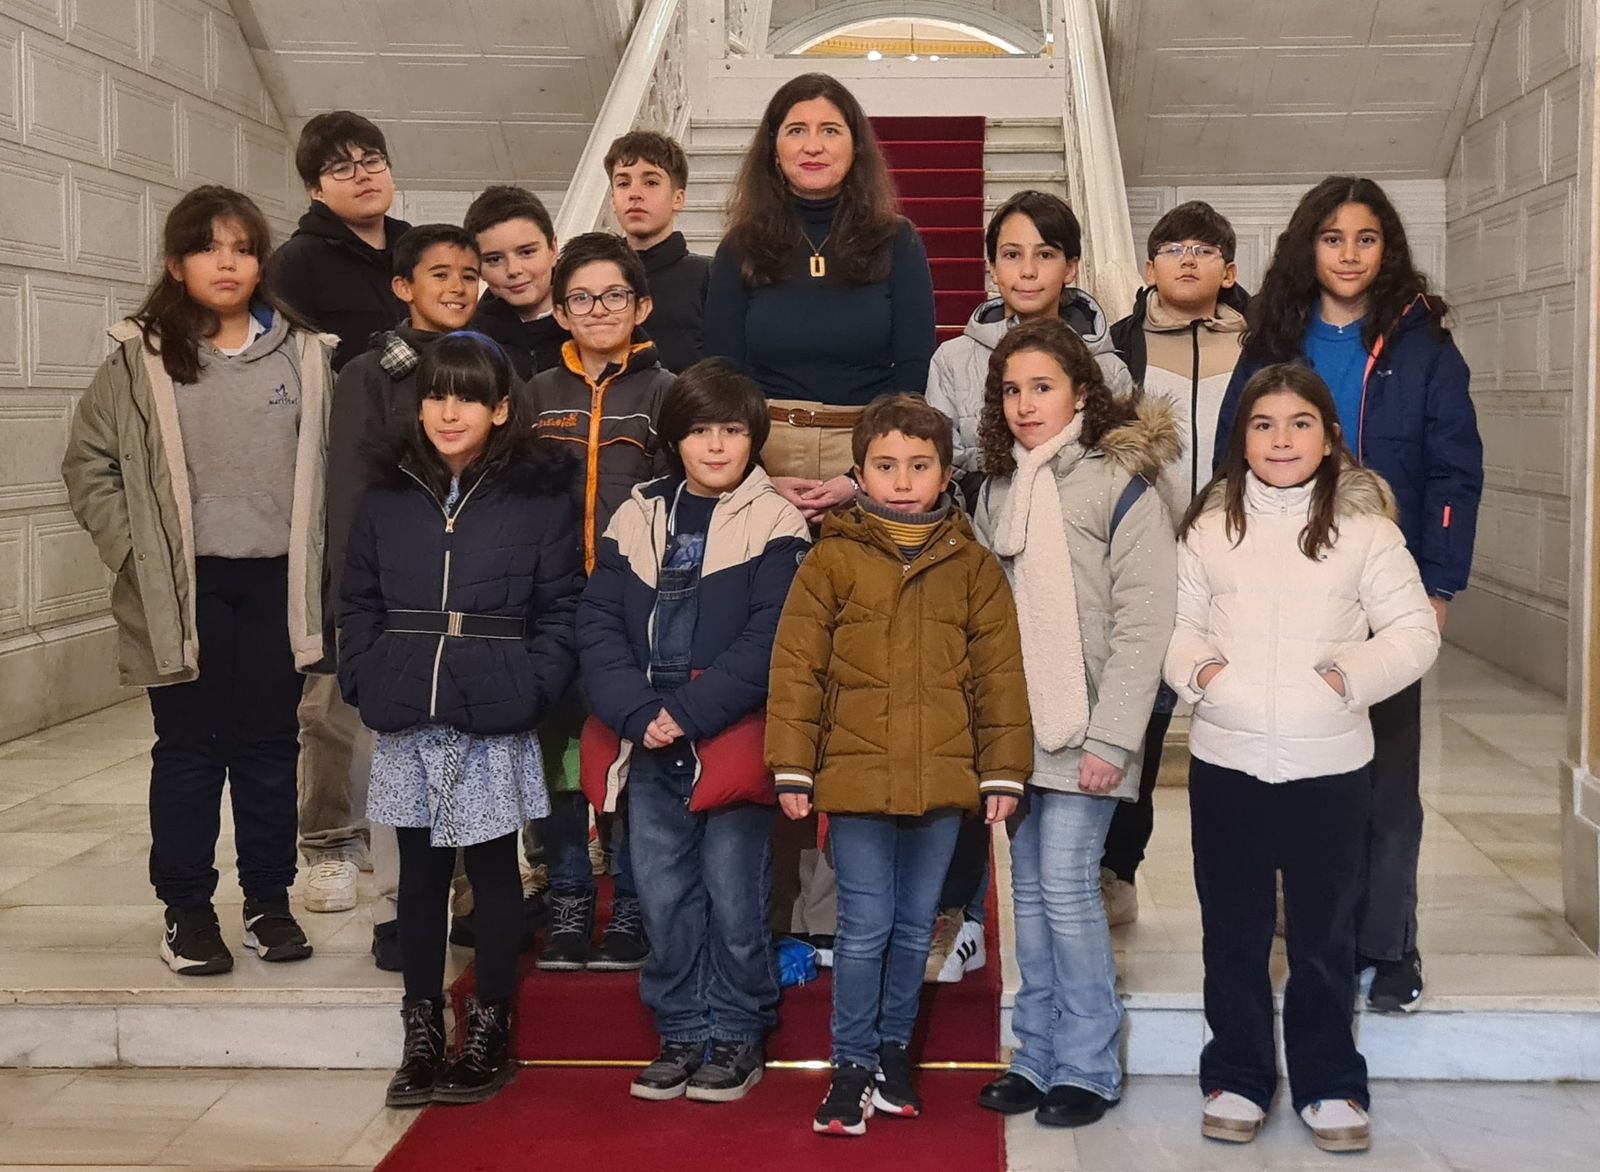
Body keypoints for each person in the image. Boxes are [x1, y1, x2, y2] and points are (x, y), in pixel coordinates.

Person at [1214, 176, 1483, 1013]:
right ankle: (1313, 928)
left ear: (1386, 249)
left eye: (1366, 238)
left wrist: (1438, 585)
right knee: (1298, 771)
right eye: (1333, 238)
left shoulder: (1425, 348)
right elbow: (1231, 459)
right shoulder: (1273, 341)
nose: (1350, 254)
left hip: (1386, 587)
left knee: (1386, 780)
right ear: (1309, 247)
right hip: (1283, 581)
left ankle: (1389, 946)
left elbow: (1455, 473)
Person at [62, 185, 332, 976]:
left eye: (243, 248)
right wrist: (138, 554)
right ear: (176, 264)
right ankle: (186, 911)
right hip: (182, 589)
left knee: (270, 749)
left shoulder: (307, 355)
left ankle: (268, 903)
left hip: (278, 585)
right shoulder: (139, 358)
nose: (227, 262)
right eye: (208, 248)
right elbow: (89, 464)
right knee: (188, 751)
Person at [1170, 364, 1440, 1152]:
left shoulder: (1368, 532)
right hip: (1228, 760)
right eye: (1263, 424)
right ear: (1241, 438)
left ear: (1329, 439)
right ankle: (1238, 1074)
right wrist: (1207, 678)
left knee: (1324, 935)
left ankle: (1328, 1082)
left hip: (1331, 767)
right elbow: (1178, 627)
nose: (1281, 439)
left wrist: (1346, 680)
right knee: (1234, 931)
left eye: (1299, 424)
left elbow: (1413, 632)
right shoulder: (1209, 529)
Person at [705, 73, 936, 949]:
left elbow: (912, 372)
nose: (812, 143)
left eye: (829, 129)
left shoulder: (896, 242)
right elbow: (721, 377)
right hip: (756, 466)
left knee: (854, 678)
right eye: (795, 129)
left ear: (854, 145)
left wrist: (859, 476)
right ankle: (760, 904)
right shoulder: (742, 248)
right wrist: (757, 477)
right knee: (765, 672)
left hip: (867, 464)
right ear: (773, 147)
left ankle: (841, 907)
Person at [766, 395, 1031, 1137]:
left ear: (946, 475)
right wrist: (792, 766)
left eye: (920, 466)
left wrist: (1003, 770)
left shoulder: (973, 567)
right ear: (859, 475)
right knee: (864, 926)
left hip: (942, 782)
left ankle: (891, 1052)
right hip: (856, 780)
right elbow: (798, 669)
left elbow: (999, 678)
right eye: (886, 466)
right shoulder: (830, 561)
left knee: (915, 928)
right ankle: (850, 1064)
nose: (904, 481)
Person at [340, 333, 583, 1108]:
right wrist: (365, 673)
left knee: (492, 871)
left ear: (501, 409)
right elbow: (357, 598)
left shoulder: (538, 495)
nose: (450, 412)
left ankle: (488, 1029)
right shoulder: (386, 493)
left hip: (493, 704)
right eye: (437, 395)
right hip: (407, 705)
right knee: (418, 876)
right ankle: (421, 1031)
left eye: (469, 397)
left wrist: (532, 686)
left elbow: (562, 607)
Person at [579, 360, 810, 1103]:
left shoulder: (776, 520)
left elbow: (773, 639)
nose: (715, 446)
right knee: (664, 897)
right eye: (700, 430)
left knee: (737, 899)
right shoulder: (637, 514)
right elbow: (597, 624)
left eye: (732, 431)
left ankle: (739, 1031)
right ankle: (680, 1030)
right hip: (647, 739)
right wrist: (638, 712)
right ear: (674, 438)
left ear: (754, 439)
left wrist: (689, 713)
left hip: (728, 737)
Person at [970, 318, 1176, 1129]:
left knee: (1066, 886)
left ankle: (1089, 1063)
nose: (1025, 404)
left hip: (1090, 728)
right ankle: (1036, 1054)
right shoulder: (996, 490)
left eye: (1042, 387)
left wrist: (1112, 739)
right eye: (1011, 390)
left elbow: (1145, 623)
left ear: (1082, 393)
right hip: (1018, 730)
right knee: (1027, 895)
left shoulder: (1120, 484)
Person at [326, 223, 482, 966]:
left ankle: (472, 897)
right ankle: (398, 906)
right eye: (440, 273)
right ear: (402, 287)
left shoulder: (489, 364)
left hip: (478, 588)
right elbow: (349, 494)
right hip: (398, 592)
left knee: (477, 750)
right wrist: (354, 603)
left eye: (469, 274)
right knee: (400, 759)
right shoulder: (369, 373)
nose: (457, 287)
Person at [270, 110, 411, 920]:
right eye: (343, 166)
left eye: (373, 159)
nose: (364, 175)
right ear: (315, 187)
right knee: (331, 676)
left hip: (427, 484)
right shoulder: (298, 263)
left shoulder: (417, 248)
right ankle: (328, 841)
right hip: (338, 485)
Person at [523, 231, 677, 972]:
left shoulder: (667, 393)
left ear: (641, 306)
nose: (598, 309)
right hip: (551, 605)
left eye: (614, 295)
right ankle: (570, 896)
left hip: (635, 607)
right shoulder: (533, 396)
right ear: (559, 312)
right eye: (580, 298)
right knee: (558, 757)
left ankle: (635, 903)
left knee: (635, 753)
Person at [1098, 200, 1250, 927]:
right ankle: (1115, 871)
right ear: (1149, 267)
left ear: (1230, 270)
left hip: (1239, 560)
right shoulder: (1117, 348)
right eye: (1172, 247)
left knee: (1247, 719)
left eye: (1204, 248)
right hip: (1149, 562)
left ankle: (1265, 876)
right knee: (1142, 726)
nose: (1188, 258)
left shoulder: (1266, 347)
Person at [927, 189, 1134, 504]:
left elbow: (1121, 474)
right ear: (993, 268)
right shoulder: (952, 361)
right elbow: (940, 470)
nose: (1027, 271)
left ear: (1070, 268)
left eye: (1045, 255)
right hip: (979, 524)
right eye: (1012, 255)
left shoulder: (1108, 368)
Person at [606, 130, 712, 374]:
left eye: (651, 182)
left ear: (678, 199)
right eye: (623, 183)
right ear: (613, 200)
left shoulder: (709, 276)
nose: (634, 194)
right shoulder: (596, 280)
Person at [465, 185, 567, 379]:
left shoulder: (594, 323)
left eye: (527, 252)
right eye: (494, 259)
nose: (513, 270)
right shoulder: (470, 341)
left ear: (553, 249)